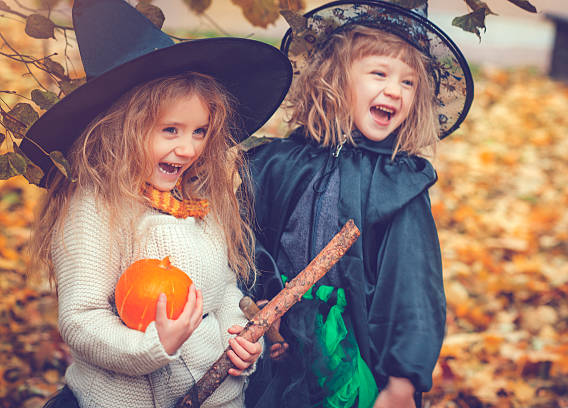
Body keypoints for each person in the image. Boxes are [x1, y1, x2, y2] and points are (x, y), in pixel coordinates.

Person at [24, 1, 292, 407]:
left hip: (216, 398)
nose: (188, 149)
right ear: (121, 130)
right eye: (171, 130)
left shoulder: (198, 202)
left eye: (200, 131)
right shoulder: (94, 208)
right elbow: (82, 319)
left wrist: (240, 342)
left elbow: (221, 295)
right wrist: (153, 346)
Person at [244, 1, 474, 407]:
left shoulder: (396, 184)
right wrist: (258, 301)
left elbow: (413, 290)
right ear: (333, 78)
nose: (394, 90)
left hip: (356, 358)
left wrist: (403, 379)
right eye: (379, 73)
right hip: (276, 349)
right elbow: (250, 243)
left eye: (408, 82)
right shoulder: (281, 162)